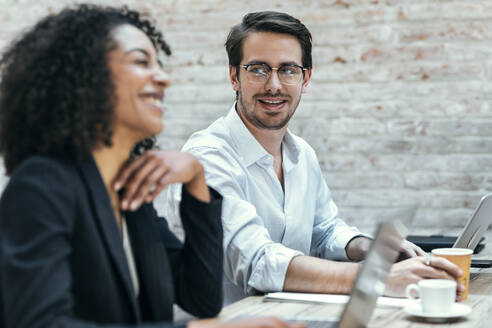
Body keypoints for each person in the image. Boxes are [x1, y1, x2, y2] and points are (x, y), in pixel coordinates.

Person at [114, 11, 464, 306]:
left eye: (288, 70)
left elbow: (324, 230)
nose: (274, 85)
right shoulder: (208, 156)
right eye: (258, 69)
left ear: (305, 78)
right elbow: (256, 262)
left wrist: (369, 249)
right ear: (234, 76)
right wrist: (374, 278)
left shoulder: (302, 154)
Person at [0, 5, 302, 328]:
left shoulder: (130, 195)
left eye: (159, 64)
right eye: (141, 62)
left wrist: (197, 181)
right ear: (87, 75)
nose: (162, 77)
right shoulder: (41, 186)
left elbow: (200, 298)